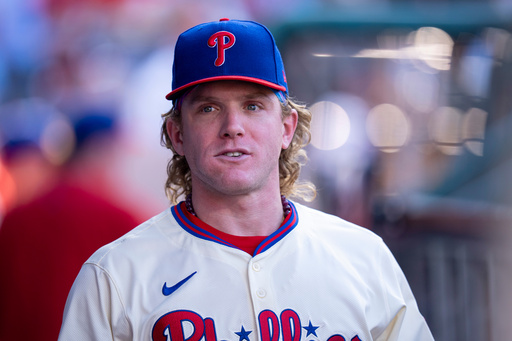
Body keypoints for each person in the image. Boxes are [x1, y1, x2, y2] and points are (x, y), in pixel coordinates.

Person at [58, 19, 434, 340]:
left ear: (287, 127)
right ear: (177, 134)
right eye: (208, 108)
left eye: (253, 106)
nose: (232, 127)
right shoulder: (115, 276)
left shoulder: (364, 258)